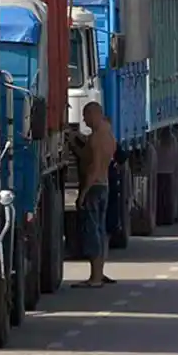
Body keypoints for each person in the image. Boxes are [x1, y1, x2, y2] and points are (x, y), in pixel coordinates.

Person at [69, 101, 116, 289]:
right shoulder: (108, 135)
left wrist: (83, 193)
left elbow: (94, 167)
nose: (84, 120)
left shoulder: (97, 138)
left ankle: (95, 278)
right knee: (100, 231)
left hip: (94, 188)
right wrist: (75, 143)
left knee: (92, 232)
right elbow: (91, 158)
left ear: (95, 114)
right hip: (104, 186)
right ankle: (99, 273)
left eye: (86, 116)